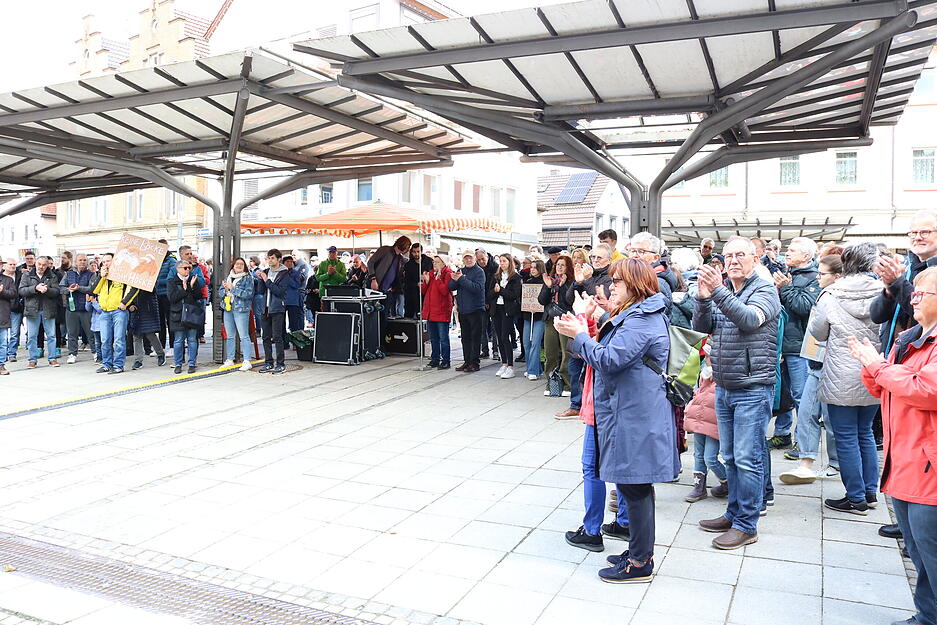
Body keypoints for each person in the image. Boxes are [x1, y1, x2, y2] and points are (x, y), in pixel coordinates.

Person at [555, 258, 678, 582]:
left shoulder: (641, 320)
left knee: (635, 488)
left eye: (619, 283)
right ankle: (638, 552)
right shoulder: (637, 314)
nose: (613, 287)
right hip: (631, 413)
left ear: (635, 286)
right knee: (634, 486)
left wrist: (581, 335)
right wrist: (591, 323)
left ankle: (640, 562)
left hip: (636, 416)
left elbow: (609, 360)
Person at [852, 266, 937, 625]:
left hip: (927, 468)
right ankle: (928, 615)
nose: (913, 298)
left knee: (931, 553)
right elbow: (885, 388)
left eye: (922, 293)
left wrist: (878, 366)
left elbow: (926, 391)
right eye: (914, 292)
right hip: (905, 461)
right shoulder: (911, 338)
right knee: (918, 551)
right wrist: (872, 365)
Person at [693, 236, 781, 550]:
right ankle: (733, 513)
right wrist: (704, 298)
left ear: (755, 258)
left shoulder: (766, 291)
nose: (732, 261)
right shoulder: (729, 290)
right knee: (729, 456)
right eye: (728, 255)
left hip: (753, 388)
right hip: (726, 385)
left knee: (748, 458)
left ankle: (747, 525)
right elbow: (704, 326)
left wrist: (716, 290)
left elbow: (747, 321)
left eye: (740, 255)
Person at [871, 211, 937, 541]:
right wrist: (889, 287)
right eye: (913, 232)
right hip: (900, 358)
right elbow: (878, 314)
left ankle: (915, 516)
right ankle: (907, 513)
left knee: (917, 443)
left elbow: (922, 313)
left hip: (923, 365)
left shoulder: (928, 273)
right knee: (897, 438)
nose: (918, 237)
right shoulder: (908, 267)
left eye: (926, 231)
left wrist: (899, 284)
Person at [808, 243, 883, 515]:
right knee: (865, 433)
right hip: (873, 369)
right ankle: (869, 491)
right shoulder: (883, 292)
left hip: (840, 371)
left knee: (846, 436)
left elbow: (818, 332)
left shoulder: (831, 294)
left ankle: (855, 496)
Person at [780, 254, 842, 484]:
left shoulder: (838, 297)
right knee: (806, 412)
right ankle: (806, 462)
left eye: (822, 273)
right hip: (814, 359)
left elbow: (808, 313)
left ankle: (836, 464)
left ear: (837, 276)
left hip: (833, 363)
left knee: (832, 418)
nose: (818, 277)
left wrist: (786, 289)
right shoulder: (824, 292)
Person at [767, 237, 821, 450]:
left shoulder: (813, 278)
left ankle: (804, 442)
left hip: (799, 347)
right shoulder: (789, 274)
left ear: (806, 256)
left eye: (793, 250)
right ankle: (782, 433)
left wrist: (785, 288)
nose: (787, 253)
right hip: (782, 344)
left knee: (801, 395)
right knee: (783, 394)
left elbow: (804, 307)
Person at [560, 244, 614, 418]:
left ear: (609, 260)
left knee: (594, 372)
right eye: (593, 257)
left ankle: (593, 406)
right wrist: (577, 283)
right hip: (581, 326)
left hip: (599, 330)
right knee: (574, 368)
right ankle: (575, 404)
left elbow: (600, 299)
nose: (595, 261)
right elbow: (568, 300)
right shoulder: (587, 276)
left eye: (599, 258)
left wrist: (587, 281)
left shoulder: (611, 278)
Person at [684, 344, 729, 501]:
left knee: (710, 457)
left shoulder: (722, 377)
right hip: (699, 420)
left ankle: (728, 481)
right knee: (698, 455)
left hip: (713, 423)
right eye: (707, 357)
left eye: (710, 357)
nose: (708, 360)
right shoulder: (704, 375)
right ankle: (699, 487)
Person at [91, 253, 137, 375]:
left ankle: (118, 365)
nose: (106, 263)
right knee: (105, 340)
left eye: (108, 261)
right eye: (104, 262)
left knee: (119, 340)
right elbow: (94, 290)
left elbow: (134, 288)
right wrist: (101, 277)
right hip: (105, 311)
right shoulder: (101, 275)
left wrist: (125, 302)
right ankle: (106, 364)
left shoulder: (124, 274)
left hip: (119, 311)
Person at [540, 254, 575, 397]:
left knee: (566, 352)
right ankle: (551, 382)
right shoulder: (550, 280)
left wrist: (562, 287)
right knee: (550, 352)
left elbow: (569, 301)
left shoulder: (572, 282)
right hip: (550, 319)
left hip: (565, 319)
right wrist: (550, 287)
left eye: (563, 265)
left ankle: (567, 384)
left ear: (568, 268)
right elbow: (542, 300)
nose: (559, 267)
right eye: (558, 265)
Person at [19, 255, 61, 369]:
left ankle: (52, 359)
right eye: (39, 264)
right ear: (35, 264)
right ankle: (32, 360)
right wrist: (35, 288)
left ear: (47, 265)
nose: (41, 267)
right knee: (32, 336)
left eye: (44, 265)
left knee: (51, 336)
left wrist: (47, 290)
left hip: (48, 310)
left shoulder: (52, 276)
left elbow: (57, 291)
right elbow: (21, 290)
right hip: (32, 310)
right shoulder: (27, 275)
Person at [449, 250, 486, 372]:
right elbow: (451, 287)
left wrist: (461, 280)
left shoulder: (479, 272)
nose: (468, 260)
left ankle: (474, 363)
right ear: (463, 260)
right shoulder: (461, 271)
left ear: (474, 259)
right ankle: (467, 361)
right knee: (465, 337)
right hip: (463, 310)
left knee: (475, 337)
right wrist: (454, 279)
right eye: (466, 258)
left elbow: (477, 288)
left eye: (470, 258)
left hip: (476, 309)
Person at [488, 253, 522, 379]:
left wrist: (501, 290)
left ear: (510, 262)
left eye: (504, 261)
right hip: (496, 309)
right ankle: (504, 363)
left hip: (508, 310)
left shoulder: (515, 277)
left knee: (504, 337)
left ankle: (510, 366)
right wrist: (495, 291)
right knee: (498, 336)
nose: (502, 264)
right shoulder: (496, 276)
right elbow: (489, 293)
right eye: (500, 261)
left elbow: (514, 295)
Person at [255, 249, 290, 374]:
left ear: (279, 259)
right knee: (265, 336)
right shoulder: (266, 271)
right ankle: (268, 362)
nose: (270, 261)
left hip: (277, 308)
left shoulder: (284, 273)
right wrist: (261, 279)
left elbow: (279, 291)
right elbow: (260, 290)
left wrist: (267, 280)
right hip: (265, 307)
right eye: (268, 258)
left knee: (277, 336)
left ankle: (280, 363)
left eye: (272, 258)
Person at [166, 259, 203, 375]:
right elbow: (172, 298)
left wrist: (191, 287)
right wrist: (185, 289)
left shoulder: (193, 280)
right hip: (178, 314)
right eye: (185, 268)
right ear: (178, 269)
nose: (188, 270)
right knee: (178, 340)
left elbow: (198, 296)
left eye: (189, 268)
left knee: (192, 339)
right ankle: (178, 363)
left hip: (191, 314)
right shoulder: (172, 281)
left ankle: (192, 363)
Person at [58, 253, 96, 365]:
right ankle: (72, 354)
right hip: (71, 308)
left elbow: (92, 289)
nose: (82, 262)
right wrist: (69, 289)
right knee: (72, 333)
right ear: (76, 261)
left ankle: (95, 352)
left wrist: (79, 288)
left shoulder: (91, 274)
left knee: (91, 332)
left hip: (86, 308)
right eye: (80, 260)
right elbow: (61, 288)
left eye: (84, 260)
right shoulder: (69, 274)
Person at [368, 236, 411, 330]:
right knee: (373, 315)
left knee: (385, 316)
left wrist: (394, 287)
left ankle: (382, 340)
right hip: (375, 288)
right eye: (407, 247)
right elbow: (370, 262)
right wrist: (373, 279)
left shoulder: (399, 258)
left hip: (387, 291)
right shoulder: (385, 250)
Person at [220, 257, 255, 372]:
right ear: (233, 266)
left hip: (241, 310)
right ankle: (230, 359)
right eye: (237, 264)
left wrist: (233, 289)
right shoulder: (228, 277)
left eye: (241, 264)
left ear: (245, 266)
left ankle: (247, 360)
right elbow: (220, 292)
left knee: (244, 335)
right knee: (229, 335)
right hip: (228, 308)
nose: (239, 266)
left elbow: (248, 294)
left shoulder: (248, 278)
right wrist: (225, 289)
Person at [629, 232, 677, 312]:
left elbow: (647, 320)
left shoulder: (656, 284)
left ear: (656, 257)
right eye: (632, 250)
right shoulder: (639, 277)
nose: (635, 255)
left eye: (641, 251)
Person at [421, 255, 454, 370]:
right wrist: (425, 282)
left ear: (443, 263)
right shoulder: (431, 273)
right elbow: (424, 291)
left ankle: (446, 360)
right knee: (433, 337)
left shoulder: (448, 273)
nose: (434, 264)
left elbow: (445, 291)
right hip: (431, 310)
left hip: (442, 309)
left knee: (443, 337)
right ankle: (435, 358)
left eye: (437, 262)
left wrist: (438, 279)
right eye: (434, 262)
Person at [128, 288, 166, 370]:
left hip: (148, 308)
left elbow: (154, 290)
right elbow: (127, 293)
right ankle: (138, 360)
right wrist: (129, 305)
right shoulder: (131, 279)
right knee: (136, 336)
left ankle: (160, 354)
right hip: (136, 310)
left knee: (150, 334)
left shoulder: (149, 279)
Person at [521, 259, 546, 381]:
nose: (532, 269)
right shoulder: (528, 281)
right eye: (531, 267)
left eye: (535, 267)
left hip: (539, 316)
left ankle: (533, 370)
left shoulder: (544, 282)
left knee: (535, 342)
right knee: (526, 342)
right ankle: (534, 367)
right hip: (527, 315)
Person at [476, 248, 499, 360]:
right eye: (479, 260)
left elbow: (495, 286)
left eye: (483, 259)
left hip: (493, 300)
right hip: (481, 301)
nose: (481, 262)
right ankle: (484, 350)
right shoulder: (477, 268)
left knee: (495, 328)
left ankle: (496, 351)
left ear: (487, 257)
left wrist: (488, 300)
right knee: (482, 327)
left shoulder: (495, 267)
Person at [155, 241, 177, 350]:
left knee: (170, 321)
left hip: (167, 295)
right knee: (160, 323)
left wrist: (158, 281)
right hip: (157, 294)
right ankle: (161, 347)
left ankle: (172, 347)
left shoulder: (171, 261)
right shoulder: (156, 260)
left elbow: (172, 277)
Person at [404, 243, 432, 319]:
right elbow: (406, 281)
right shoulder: (408, 265)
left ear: (421, 251)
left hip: (427, 293)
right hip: (413, 294)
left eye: (418, 251)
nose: (416, 254)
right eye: (414, 252)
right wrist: (417, 284)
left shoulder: (429, 261)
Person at [0, 260, 15, 375]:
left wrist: (2, 291)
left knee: (3, 342)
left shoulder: (8, 280)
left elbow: (13, 294)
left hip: (3, 315)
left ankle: (1, 365)